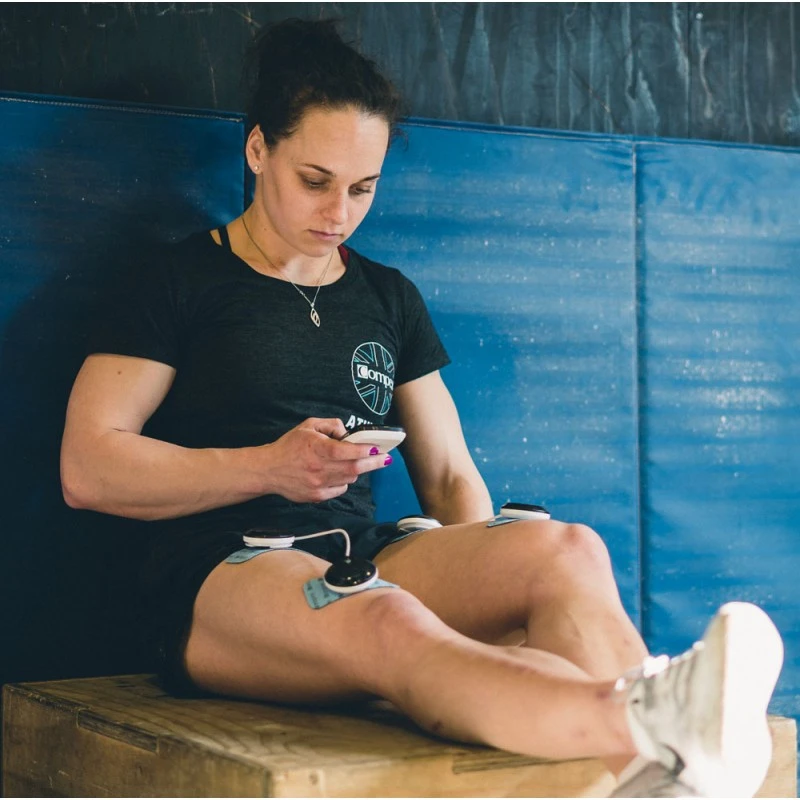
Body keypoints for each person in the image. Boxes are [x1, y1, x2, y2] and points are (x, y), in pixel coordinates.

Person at [60, 18, 783, 798]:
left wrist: (487, 595)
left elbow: (448, 477)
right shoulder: (177, 280)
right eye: (315, 180)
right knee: (383, 616)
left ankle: (669, 773)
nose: (339, 211)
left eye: (362, 187)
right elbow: (88, 468)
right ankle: (658, 720)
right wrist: (268, 467)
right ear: (259, 149)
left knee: (566, 550)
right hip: (221, 574)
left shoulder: (386, 295)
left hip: (361, 548)